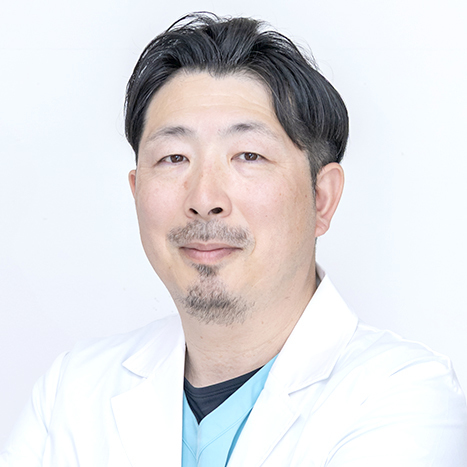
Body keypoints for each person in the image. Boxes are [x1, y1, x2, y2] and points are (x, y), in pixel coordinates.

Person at [1, 12, 466, 467]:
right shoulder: (71, 392)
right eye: (173, 157)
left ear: (321, 199)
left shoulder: (404, 396)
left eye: (248, 155)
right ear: (136, 191)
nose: (204, 199)